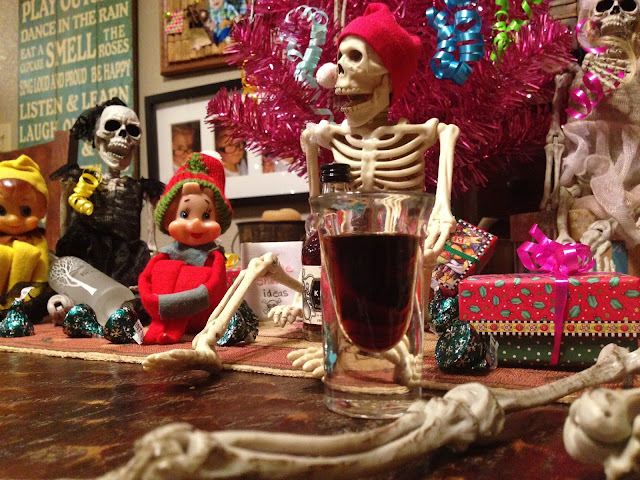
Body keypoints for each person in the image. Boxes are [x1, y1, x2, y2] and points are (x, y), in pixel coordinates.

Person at [138, 153, 233, 345]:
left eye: (206, 216)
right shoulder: (165, 256)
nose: (195, 223)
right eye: (184, 214)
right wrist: (155, 303)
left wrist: (166, 305)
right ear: (170, 217)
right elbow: (145, 281)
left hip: (203, 319)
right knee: (161, 267)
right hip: (163, 313)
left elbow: (214, 287)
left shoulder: (213, 258)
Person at [0, 156, 49, 309]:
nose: (13, 219)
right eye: (1, 210)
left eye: (25, 211)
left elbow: (41, 272)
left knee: (27, 253)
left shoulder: (37, 240)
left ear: (42, 210)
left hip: (23, 303)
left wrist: (32, 298)